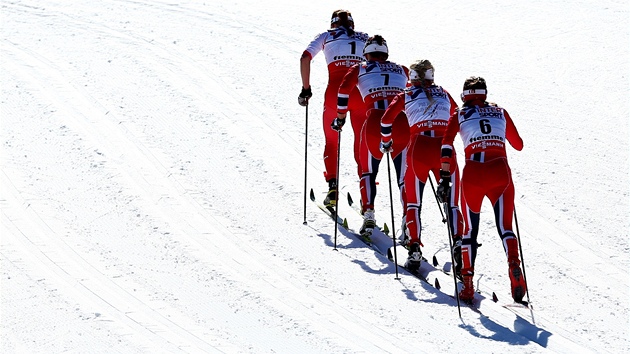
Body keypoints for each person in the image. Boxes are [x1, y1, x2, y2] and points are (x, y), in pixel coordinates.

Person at [440, 76, 527, 303]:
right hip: (500, 169)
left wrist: (444, 175)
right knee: (506, 227)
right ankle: (514, 266)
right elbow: (518, 145)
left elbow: (447, 145)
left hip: (473, 172)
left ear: (464, 96)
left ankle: (467, 284)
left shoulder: (458, 114)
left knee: (470, 231)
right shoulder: (500, 111)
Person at [379, 59, 464, 272]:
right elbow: (459, 117)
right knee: (453, 204)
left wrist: (386, 141)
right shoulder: (443, 92)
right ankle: (459, 243)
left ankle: (414, 246)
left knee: (413, 202)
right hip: (444, 148)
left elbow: (386, 120)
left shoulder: (406, 94)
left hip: (419, 147)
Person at [334, 35, 410, 239]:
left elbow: (343, 91)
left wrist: (340, 117)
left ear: (366, 53)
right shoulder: (403, 69)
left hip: (375, 121)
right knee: (404, 178)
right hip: (401, 123)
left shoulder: (360, 67)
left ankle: (368, 214)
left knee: (368, 171)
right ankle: (409, 223)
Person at [299, 9, 369, 210]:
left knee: (331, 140)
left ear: (333, 24)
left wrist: (306, 89)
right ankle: (367, 196)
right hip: (361, 95)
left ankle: (332, 187)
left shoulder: (326, 35)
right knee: (362, 142)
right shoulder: (366, 37)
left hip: (335, 93)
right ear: (352, 24)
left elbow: (305, 58)